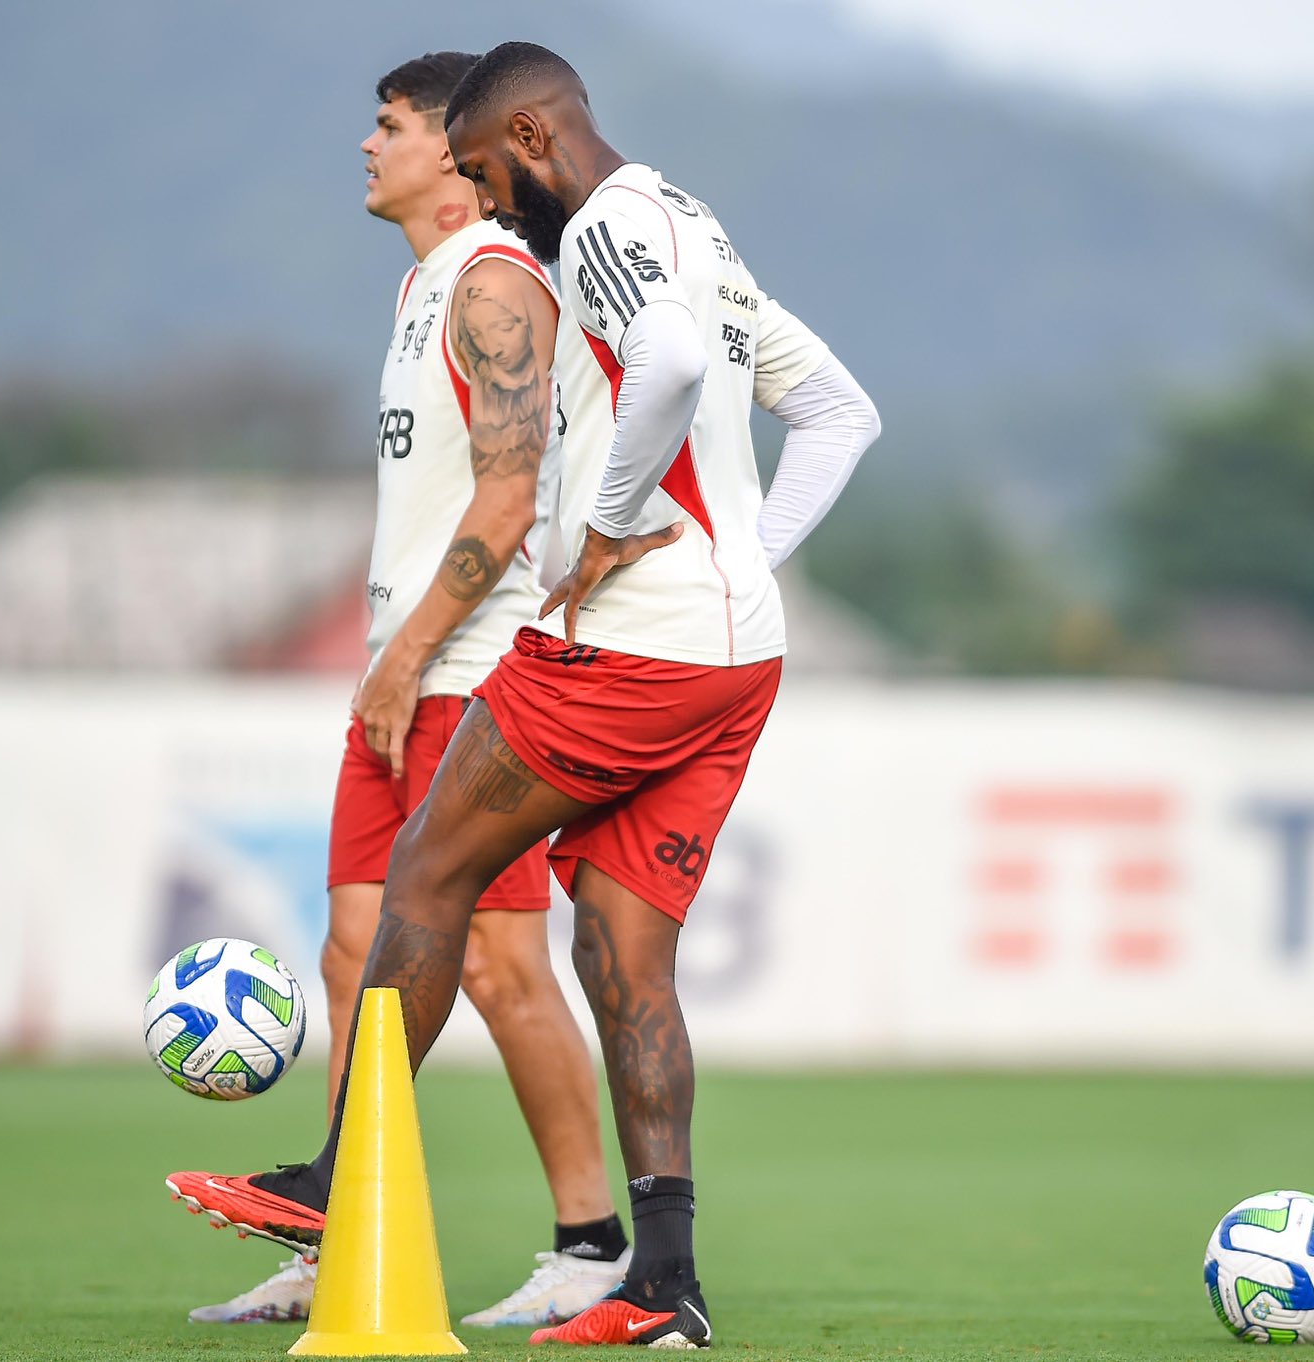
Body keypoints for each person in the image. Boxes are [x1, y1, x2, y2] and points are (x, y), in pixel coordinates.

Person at [170, 40, 879, 1349]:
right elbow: (841, 414)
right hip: (737, 653)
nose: (497, 208)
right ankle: (662, 1282)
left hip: (628, 651)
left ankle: (336, 1183)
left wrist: (609, 521)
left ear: (535, 146)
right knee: (621, 954)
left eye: (495, 177)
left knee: (428, 878)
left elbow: (662, 361)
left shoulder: (603, 224)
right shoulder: (694, 225)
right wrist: (746, 559)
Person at [164, 50, 630, 1329]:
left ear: (451, 145)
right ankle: (330, 1243)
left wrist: (413, 648)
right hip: (404, 678)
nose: (364, 148)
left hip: (472, 678)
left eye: (386, 126)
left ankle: (591, 1246)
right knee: (350, 950)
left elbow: (508, 493)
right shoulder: (422, 288)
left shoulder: (493, 283)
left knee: (496, 965)